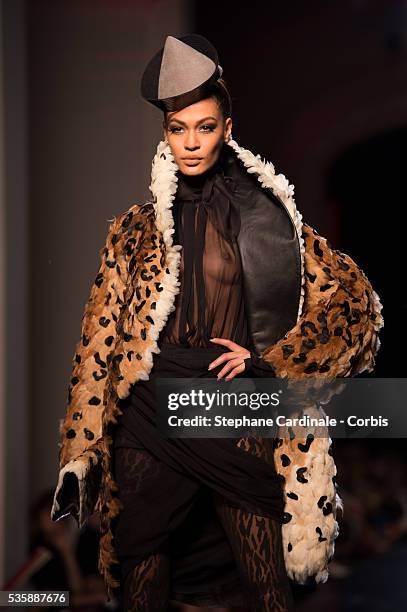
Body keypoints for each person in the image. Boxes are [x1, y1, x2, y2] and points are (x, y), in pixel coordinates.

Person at [50, 34, 384, 611]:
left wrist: (272, 363)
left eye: (204, 127)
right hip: (150, 408)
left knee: (263, 584)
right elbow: (97, 345)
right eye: (178, 129)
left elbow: (358, 307)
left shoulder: (271, 222)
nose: (191, 142)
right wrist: (79, 453)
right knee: (141, 577)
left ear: (227, 129)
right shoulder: (133, 232)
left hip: (231, 403)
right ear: (165, 133)